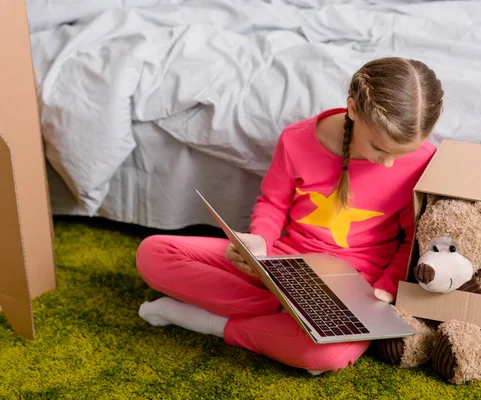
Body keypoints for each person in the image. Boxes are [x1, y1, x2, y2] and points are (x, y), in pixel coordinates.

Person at [135, 57, 444, 375]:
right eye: (380, 149)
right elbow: (273, 204)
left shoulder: (423, 162)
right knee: (154, 252)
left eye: (401, 153)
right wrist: (259, 243)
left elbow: (412, 239)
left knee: (329, 355)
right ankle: (282, 314)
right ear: (353, 109)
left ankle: (213, 321)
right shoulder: (298, 139)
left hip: (352, 288)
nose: (389, 163)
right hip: (282, 266)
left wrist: (385, 288)